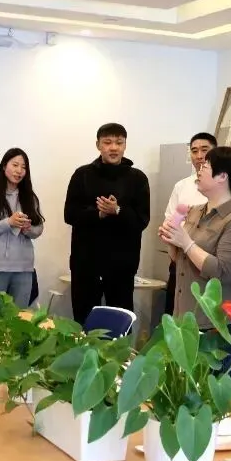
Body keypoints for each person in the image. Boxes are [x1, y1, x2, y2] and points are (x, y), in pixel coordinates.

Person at [63, 123, 151, 324]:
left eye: (119, 143)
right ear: (98, 145)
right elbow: (70, 215)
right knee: (84, 321)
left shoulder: (137, 178)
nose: (114, 147)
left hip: (122, 265)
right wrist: (99, 214)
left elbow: (142, 220)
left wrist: (118, 211)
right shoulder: (82, 175)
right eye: (108, 142)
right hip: (86, 263)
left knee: (119, 322)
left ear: (125, 145)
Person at [160, 146, 231, 331]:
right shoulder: (195, 211)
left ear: (222, 176)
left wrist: (186, 242)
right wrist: (171, 241)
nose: (199, 169)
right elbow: (181, 260)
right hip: (184, 316)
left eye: (206, 166)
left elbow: (223, 272)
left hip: (218, 323)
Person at [0, 148, 45, 307]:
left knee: (20, 316)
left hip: (24, 268)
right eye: (15, 165)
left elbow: (39, 229)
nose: (19, 171)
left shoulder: (29, 197)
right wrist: (8, 223)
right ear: (4, 166)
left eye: (23, 167)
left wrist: (27, 228)